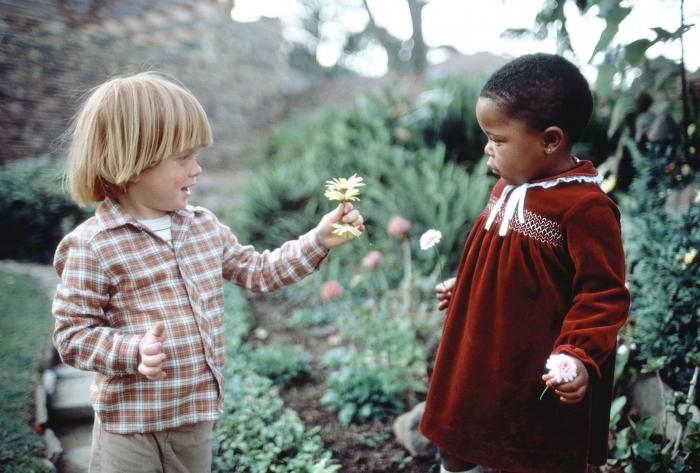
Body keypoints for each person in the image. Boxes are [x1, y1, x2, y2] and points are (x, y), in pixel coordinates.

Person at [52, 72, 365, 473]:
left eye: (196, 156)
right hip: (130, 429)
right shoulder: (93, 246)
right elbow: (72, 335)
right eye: (182, 158)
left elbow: (259, 271)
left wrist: (317, 240)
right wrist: (132, 350)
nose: (197, 170)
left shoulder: (203, 226)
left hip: (195, 419)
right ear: (130, 163)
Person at [419, 53, 630, 473]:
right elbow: (503, 260)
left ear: (550, 140)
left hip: (529, 366)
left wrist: (578, 356)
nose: (487, 148)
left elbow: (602, 295)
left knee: (527, 453)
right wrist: (465, 286)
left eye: (497, 139)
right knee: (455, 440)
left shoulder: (585, 208)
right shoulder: (506, 187)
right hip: (477, 351)